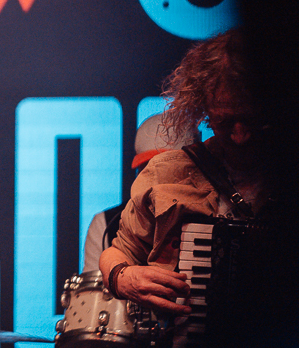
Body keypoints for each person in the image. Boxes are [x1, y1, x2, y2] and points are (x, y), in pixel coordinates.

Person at [99, 29, 271, 320]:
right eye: (225, 121)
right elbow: (118, 252)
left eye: (251, 118)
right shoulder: (170, 173)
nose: (240, 135)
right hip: (199, 345)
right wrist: (121, 278)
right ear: (204, 110)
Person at [81, 112, 197, 274]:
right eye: (147, 169)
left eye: (166, 169)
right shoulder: (106, 223)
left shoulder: (214, 212)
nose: (155, 179)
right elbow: (95, 290)